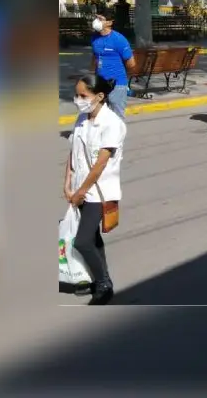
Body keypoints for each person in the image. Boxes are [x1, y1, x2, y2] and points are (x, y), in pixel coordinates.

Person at [65, 73, 127, 305]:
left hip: (98, 191)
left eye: (83, 95)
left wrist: (81, 191)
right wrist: (67, 183)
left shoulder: (112, 124)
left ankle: (103, 283)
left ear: (100, 96)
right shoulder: (81, 119)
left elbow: (101, 164)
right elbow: (73, 152)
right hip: (80, 187)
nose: (78, 99)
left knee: (82, 241)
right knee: (92, 237)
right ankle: (99, 278)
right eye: (76, 94)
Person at [91, 6, 137, 118]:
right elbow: (95, 57)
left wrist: (117, 74)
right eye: (96, 18)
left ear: (109, 22)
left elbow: (131, 63)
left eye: (100, 19)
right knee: (98, 116)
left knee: (117, 118)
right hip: (100, 84)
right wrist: (91, 76)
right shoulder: (94, 38)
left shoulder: (119, 39)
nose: (96, 21)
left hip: (117, 85)